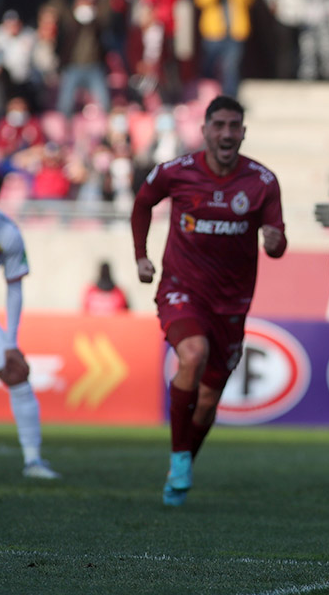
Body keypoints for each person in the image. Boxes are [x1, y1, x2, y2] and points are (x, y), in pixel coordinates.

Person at [130, 95, 286, 506]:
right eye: (219, 125)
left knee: (208, 402)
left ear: (244, 133)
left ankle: (182, 467)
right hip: (182, 289)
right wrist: (141, 256)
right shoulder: (176, 172)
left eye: (235, 126)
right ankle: (179, 457)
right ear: (204, 131)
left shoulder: (262, 181)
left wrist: (274, 241)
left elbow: (277, 242)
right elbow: (142, 203)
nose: (227, 134)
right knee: (192, 353)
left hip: (232, 304)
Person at [0, 167, 60, 479]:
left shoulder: (7, 234)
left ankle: (33, 461)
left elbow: (14, 288)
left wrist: (10, 342)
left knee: (17, 373)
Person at [194, 0, 255, 97]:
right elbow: (200, 0)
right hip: (213, 34)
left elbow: (249, 0)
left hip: (235, 34)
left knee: (231, 67)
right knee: (209, 66)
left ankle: (230, 96)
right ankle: (206, 95)